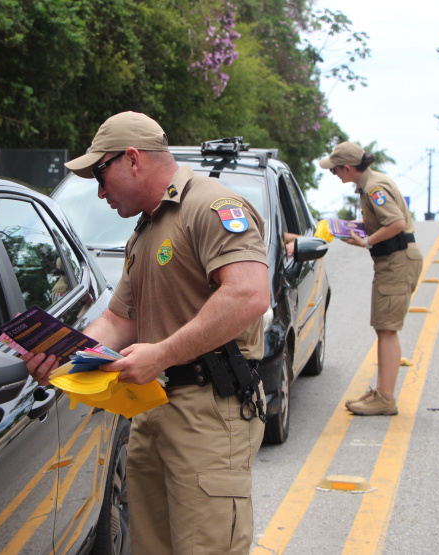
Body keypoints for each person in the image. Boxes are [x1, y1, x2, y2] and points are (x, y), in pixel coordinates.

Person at [21, 111, 270, 554]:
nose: (99, 191)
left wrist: (161, 354)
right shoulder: (147, 229)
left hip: (209, 411)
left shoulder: (210, 207)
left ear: (132, 159)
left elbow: (249, 294)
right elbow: (120, 320)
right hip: (154, 409)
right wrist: (64, 359)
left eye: (101, 173)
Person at [318, 141, 423, 416]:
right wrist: (356, 232)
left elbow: (397, 223)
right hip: (391, 261)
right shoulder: (370, 184)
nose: (334, 174)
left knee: (387, 329)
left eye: (335, 169)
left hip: (397, 260)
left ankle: (385, 398)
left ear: (348, 168)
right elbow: (383, 222)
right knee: (383, 327)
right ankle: (381, 393)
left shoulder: (374, 188)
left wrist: (367, 242)